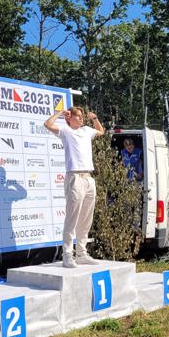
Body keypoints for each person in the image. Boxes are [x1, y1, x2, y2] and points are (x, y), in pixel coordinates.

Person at [44, 106, 106, 268]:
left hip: (88, 178)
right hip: (75, 177)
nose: (81, 119)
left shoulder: (86, 130)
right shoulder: (65, 131)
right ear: (69, 118)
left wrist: (94, 118)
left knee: (86, 218)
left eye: (82, 117)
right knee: (72, 217)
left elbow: (101, 131)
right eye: (78, 116)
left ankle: (81, 253)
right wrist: (59, 113)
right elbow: (47, 124)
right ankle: (67, 255)